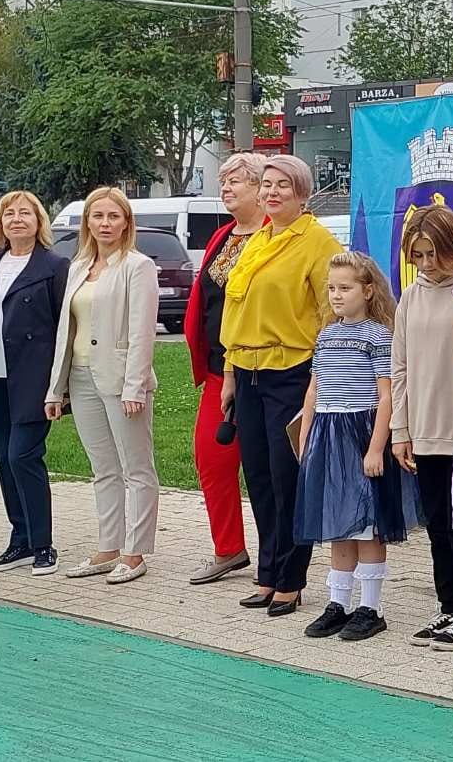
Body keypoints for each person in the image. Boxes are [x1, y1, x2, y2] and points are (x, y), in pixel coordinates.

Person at [220, 155, 344, 616]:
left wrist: (320, 378)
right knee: (258, 476)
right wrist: (229, 373)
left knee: (286, 477)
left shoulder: (317, 242)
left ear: (303, 194)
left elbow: (332, 315)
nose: (272, 193)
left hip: (292, 371)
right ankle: (268, 572)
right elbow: (236, 309)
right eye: (267, 185)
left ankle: (291, 579)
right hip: (247, 369)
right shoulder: (258, 240)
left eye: (283, 186)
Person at [295, 252, 418, 643]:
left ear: (368, 291)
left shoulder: (377, 336)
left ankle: (370, 607)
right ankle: (338, 602)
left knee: (367, 524)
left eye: (345, 288)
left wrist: (376, 447)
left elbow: (387, 396)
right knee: (338, 522)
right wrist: (306, 436)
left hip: (361, 432)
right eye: (332, 288)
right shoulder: (326, 335)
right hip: (328, 433)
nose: (336, 295)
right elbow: (314, 390)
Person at [46, 188, 160, 585]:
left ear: (126, 222)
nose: (105, 224)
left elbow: (143, 332)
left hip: (121, 379)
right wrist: (56, 389)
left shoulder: (138, 266)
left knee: (137, 468)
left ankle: (135, 551)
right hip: (81, 377)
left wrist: (135, 386)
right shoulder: (78, 266)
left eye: (114, 216)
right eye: (98, 216)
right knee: (103, 469)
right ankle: (109, 546)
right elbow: (66, 331)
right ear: (87, 222)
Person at [0, 191, 69, 577]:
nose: (17, 219)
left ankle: (43, 544)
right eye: (9, 214)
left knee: (23, 455)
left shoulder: (54, 267)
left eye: (25, 213)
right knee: (5, 459)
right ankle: (20, 539)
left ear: (39, 221)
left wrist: (59, 386)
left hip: (33, 381)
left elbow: (64, 329)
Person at [391, 206, 453, 649]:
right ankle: (448, 605)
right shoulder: (411, 297)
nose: (428, 264)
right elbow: (400, 366)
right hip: (424, 427)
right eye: (419, 255)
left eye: (434, 254)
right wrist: (400, 429)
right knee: (437, 525)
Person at [182, 153, 263, 585]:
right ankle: (228, 548)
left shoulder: (274, 236)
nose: (226, 188)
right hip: (219, 369)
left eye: (236, 180)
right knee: (212, 459)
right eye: (223, 180)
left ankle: (279, 559)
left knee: (267, 470)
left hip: (264, 369)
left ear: (260, 188)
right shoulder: (223, 236)